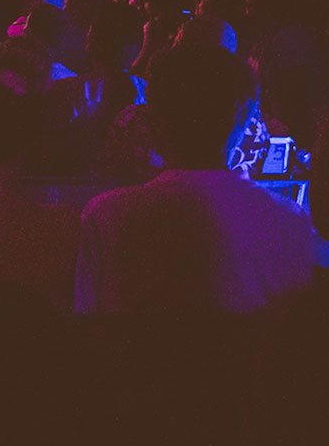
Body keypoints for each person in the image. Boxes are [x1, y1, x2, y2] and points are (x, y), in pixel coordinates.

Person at [75, 43, 315, 314]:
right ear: (245, 121)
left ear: (153, 120)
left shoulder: (105, 216)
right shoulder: (289, 221)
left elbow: (87, 325)